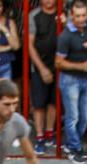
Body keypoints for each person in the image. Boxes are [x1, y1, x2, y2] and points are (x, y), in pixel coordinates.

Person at [55, 0, 87, 164]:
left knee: (85, 117)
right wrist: (83, 66)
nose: (80, 19)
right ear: (71, 15)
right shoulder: (65, 36)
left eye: (83, 15)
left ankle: (72, 144)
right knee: (73, 117)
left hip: (84, 79)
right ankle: (74, 148)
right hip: (70, 79)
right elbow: (58, 63)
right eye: (77, 16)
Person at [29, 0, 60, 154]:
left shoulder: (62, 14)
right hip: (39, 65)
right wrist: (41, 69)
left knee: (54, 102)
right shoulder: (34, 16)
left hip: (59, 65)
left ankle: (49, 133)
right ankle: (40, 136)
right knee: (39, 103)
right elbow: (29, 44)